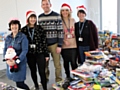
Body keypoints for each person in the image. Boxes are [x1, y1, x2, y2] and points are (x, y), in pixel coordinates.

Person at [21, 11, 49, 90]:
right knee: (33, 71)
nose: (33, 19)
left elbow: (44, 42)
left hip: (40, 53)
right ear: (28, 19)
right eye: (31, 18)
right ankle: (36, 85)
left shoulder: (40, 28)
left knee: (42, 72)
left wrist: (46, 54)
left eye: (34, 18)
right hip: (29, 54)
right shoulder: (23, 30)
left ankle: (45, 87)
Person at [38, 0, 64, 83]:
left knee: (57, 65)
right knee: (44, 64)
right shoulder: (40, 17)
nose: (45, 6)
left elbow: (60, 31)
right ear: (41, 6)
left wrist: (59, 45)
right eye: (43, 4)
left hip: (54, 44)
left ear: (50, 5)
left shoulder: (57, 16)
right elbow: (39, 32)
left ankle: (59, 80)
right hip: (44, 45)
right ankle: (45, 78)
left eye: (47, 4)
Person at [3, 18, 30, 90]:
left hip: (19, 63)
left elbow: (25, 50)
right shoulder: (8, 38)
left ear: (19, 26)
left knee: (20, 83)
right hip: (10, 63)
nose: (14, 27)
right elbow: (5, 49)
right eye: (12, 25)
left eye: (16, 25)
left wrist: (16, 61)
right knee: (16, 81)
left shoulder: (23, 37)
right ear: (10, 26)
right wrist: (7, 60)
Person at [60, 3, 78, 80]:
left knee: (74, 62)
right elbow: (58, 33)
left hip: (74, 45)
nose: (65, 12)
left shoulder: (73, 20)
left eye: (66, 10)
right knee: (66, 62)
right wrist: (64, 41)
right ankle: (68, 76)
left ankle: (76, 76)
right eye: (63, 10)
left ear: (69, 11)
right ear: (61, 12)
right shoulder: (59, 21)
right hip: (64, 46)